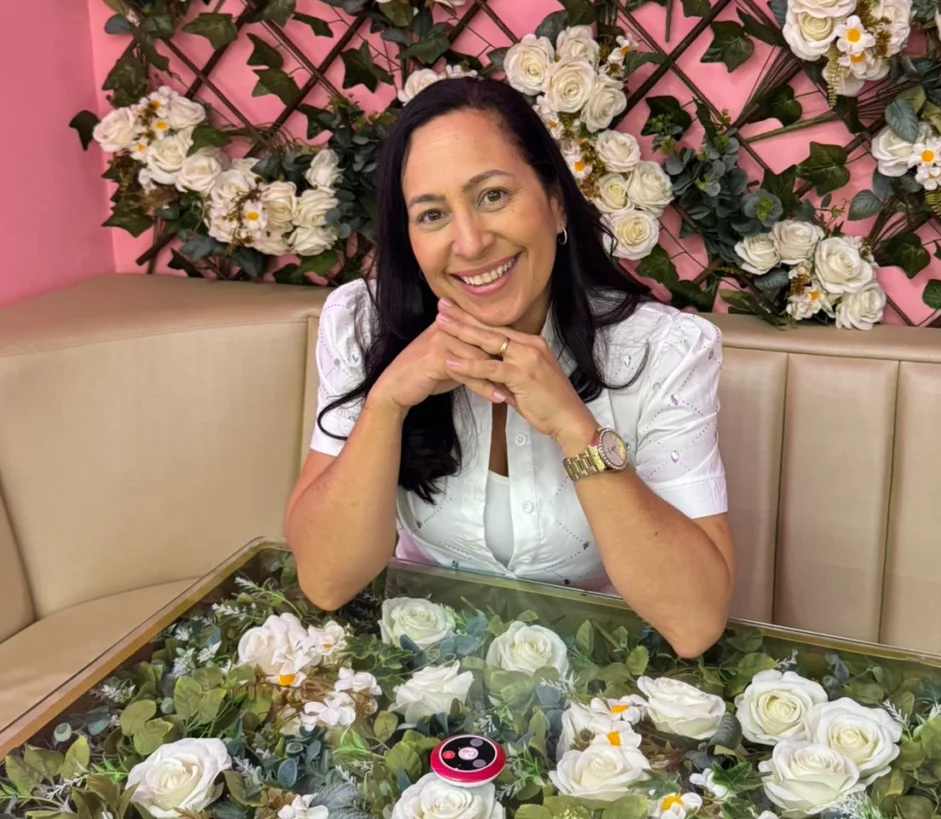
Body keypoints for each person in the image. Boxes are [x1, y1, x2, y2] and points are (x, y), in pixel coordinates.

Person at [285, 77, 735, 657]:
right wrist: (388, 402)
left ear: (555, 202)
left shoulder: (666, 350)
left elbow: (695, 623)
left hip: (606, 675)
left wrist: (575, 429)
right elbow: (325, 581)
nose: (470, 243)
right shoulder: (362, 322)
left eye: (493, 195)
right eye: (431, 214)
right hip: (418, 661)